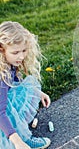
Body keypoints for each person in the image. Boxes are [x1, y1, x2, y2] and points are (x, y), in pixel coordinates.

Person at [0, 21, 51, 149]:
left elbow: (15, 83)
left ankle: (18, 132)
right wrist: (18, 142)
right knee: (8, 108)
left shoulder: (8, 63)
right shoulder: (1, 75)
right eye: (16, 52)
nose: (21, 56)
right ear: (2, 50)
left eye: (24, 50)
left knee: (26, 87)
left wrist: (38, 93)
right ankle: (23, 139)